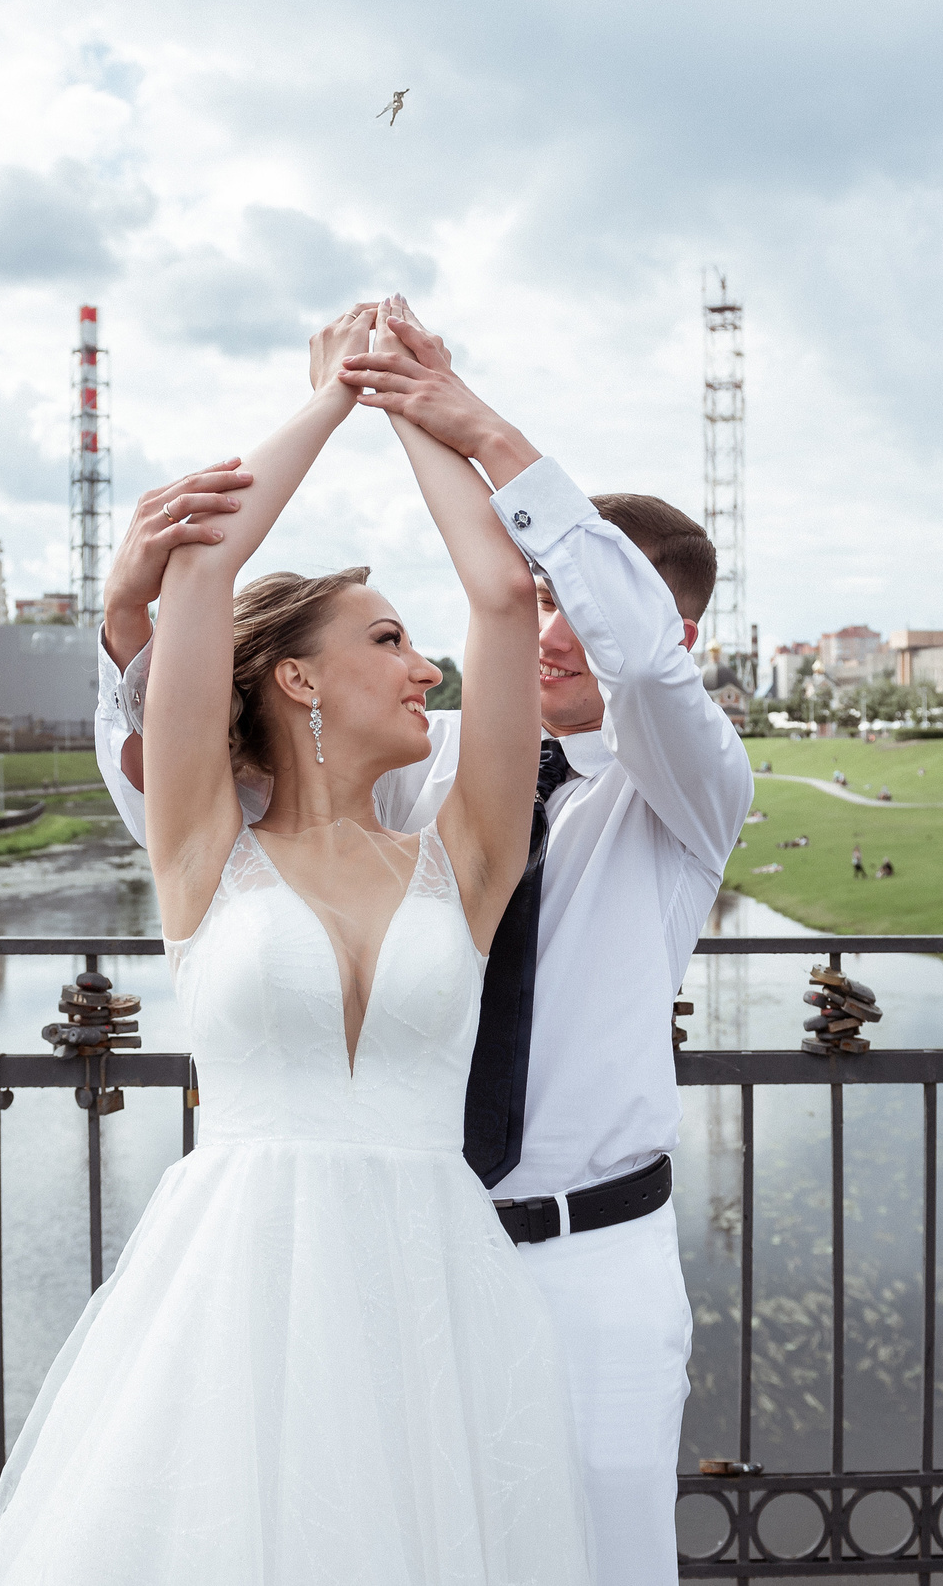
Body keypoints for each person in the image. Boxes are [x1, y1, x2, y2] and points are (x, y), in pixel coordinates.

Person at [88, 299, 751, 1586]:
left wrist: (464, 423)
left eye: (592, 604)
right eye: (548, 588)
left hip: (586, 1251)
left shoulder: (679, 777)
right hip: (353, 1255)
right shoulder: (412, 763)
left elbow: (533, 613)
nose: (552, 625)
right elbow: (172, 772)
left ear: (663, 630)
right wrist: (341, 402)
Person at [0, 303, 593, 1583]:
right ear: (295, 679)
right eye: (387, 639)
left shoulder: (469, 854)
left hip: (434, 1293)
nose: (426, 667)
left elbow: (502, 598)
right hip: (237, 1293)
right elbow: (201, 575)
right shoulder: (202, 847)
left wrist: (415, 404)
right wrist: (327, 402)